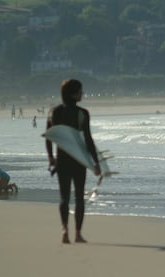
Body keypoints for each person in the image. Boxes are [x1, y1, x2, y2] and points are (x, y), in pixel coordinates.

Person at [45, 79, 101, 244]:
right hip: (78, 160)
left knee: (64, 197)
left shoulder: (53, 112)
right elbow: (88, 140)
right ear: (73, 93)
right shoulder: (83, 113)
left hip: (62, 159)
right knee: (78, 197)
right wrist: (95, 163)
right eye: (80, 91)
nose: (82, 94)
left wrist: (50, 157)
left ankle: (64, 230)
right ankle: (77, 234)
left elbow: (49, 137)